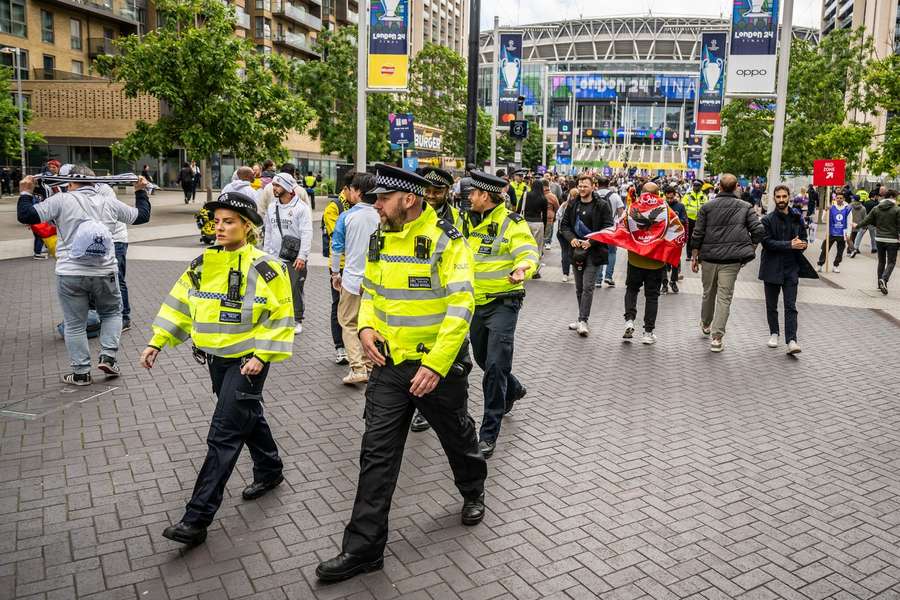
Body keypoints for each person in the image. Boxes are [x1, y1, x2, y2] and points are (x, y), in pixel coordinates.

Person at [316, 164, 486, 583]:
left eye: (381, 199)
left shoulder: (448, 242)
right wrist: (368, 325)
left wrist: (436, 364)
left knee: (457, 433)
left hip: (436, 367)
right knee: (376, 452)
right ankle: (363, 549)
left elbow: (461, 308)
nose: (374, 205)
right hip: (389, 367)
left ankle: (473, 488)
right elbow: (372, 291)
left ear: (408, 199)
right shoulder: (380, 238)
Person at [140, 190, 294, 545]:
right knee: (246, 415)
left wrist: (262, 355)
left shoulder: (267, 268)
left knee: (223, 434)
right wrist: (156, 341)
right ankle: (270, 470)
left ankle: (196, 519)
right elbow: (179, 303)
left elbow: (282, 315)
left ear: (248, 226)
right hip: (216, 360)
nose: (220, 228)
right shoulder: (202, 264)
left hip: (248, 362)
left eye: (228, 222)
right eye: (217, 221)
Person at [17, 167, 152, 384]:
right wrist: (140, 191)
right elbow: (141, 216)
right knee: (111, 313)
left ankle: (80, 373)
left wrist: (25, 191)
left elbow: (27, 215)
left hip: (70, 273)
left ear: (70, 183)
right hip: (104, 272)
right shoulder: (108, 202)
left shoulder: (61, 201)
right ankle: (108, 356)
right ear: (94, 183)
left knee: (74, 324)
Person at [462, 171, 538, 459]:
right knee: (483, 359)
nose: (469, 197)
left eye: (473, 193)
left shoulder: (511, 223)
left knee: (495, 366)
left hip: (504, 303)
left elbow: (528, 251)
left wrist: (522, 269)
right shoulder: (466, 222)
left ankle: (488, 433)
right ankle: (513, 389)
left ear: (485, 196)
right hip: (475, 304)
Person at [690, 173, 764, 352]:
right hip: (732, 260)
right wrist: (751, 248)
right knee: (725, 297)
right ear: (737, 186)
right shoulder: (745, 207)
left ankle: (706, 323)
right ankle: (717, 337)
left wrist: (694, 255)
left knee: (708, 292)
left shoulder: (707, 207)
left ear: (719, 187)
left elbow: (697, 233)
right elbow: (759, 230)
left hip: (708, 258)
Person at [330, 172, 378, 385]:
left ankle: (357, 368)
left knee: (349, 324)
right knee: (371, 324)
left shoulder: (346, 217)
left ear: (357, 191)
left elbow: (337, 248)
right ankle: (370, 364)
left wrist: (334, 273)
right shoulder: (381, 215)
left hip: (351, 280)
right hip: (375, 281)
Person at [559, 174, 613, 336]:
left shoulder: (602, 205)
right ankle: (580, 318)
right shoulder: (573, 204)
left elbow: (608, 227)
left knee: (588, 287)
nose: (582, 189)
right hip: (577, 252)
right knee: (579, 287)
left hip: (594, 252)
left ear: (593, 186)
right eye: (580, 186)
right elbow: (564, 225)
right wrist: (572, 239)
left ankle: (583, 320)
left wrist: (592, 241)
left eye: (585, 186)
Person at [622, 182, 676, 345]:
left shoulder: (632, 208)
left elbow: (622, 227)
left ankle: (629, 320)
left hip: (635, 259)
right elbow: (676, 232)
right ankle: (648, 332)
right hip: (655, 261)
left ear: (642, 193)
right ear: (658, 194)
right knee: (652, 296)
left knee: (632, 290)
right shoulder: (667, 210)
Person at [759, 184, 810, 354]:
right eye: (778, 197)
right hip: (771, 268)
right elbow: (767, 243)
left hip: (791, 268)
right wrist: (790, 244)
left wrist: (803, 244)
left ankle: (792, 340)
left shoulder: (797, 218)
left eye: (784, 196)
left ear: (789, 197)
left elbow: (803, 239)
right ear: (774, 198)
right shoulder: (766, 220)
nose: (781, 200)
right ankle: (774, 333)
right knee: (771, 305)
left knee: (791, 305)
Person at [263, 172, 312, 334]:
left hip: (294, 257)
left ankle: (297, 319)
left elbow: (307, 233)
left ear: (287, 187)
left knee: (295, 288)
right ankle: (279, 317)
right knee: (275, 288)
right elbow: (268, 231)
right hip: (275, 256)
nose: (274, 188)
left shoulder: (301, 208)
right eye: (274, 185)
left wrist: (302, 256)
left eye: (277, 185)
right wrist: (266, 254)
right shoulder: (272, 206)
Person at [322, 170, 354, 365]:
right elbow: (339, 239)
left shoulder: (360, 205)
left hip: (357, 263)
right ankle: (339, 347)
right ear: (346, 188)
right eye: (356, 190)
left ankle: (354, 346)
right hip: (340, 264)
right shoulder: (334, 208)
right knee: (339, 305)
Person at [858, 189, 900, 295]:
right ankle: (884, 279)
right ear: (892, 197)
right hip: (892, 240)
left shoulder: (876, 208)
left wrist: (857, 225)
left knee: (881, 261)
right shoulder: (897, 209)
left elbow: (867, 220)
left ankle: (879, 283)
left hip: (879, 238)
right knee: (891, 262)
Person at [594, 176, 624, 288]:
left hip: (597, 228)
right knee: (611, 252)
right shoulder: (615, 196)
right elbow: (621, 212)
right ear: (608, 183)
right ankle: (609, 276)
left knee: (598, 252)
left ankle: (598, 279)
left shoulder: (594, 194)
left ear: (597, 184)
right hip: (611, 228)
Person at [817, 190, 851, 273]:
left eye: (841, 198)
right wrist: (826, 211)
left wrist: (848, 234)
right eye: (837, 198)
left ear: (843, 199)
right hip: (831, 232)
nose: (839, 199)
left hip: (842, 233)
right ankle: (820, 265)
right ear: (835, 198)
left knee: (840, 251)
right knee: (825, 249)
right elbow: (823, 220)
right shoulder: (831, 207)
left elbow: (849, 221)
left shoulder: (847, 209)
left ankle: (836, 265)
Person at [661, 186, 687, 294]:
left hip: (676, 237)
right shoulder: (662, 205)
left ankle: (673, 281)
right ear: (665, 196)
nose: (670, 200)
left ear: (674, 195)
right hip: (664, 238)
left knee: (675, 261)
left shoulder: (680, 206)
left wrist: (675, 219)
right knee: (663, 261)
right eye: (668, 198)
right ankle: (664, 284)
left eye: (671, 198)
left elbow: (684, 220)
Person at [520, 184, 548, 279]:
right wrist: (544, 227)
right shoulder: (543, 198)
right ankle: (534, 271)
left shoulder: (525, 195)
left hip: (525, 223)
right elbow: (544, 215)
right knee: (537, 248)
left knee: (524, 247)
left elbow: (518, 209)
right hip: (537, 224)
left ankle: (521, 269)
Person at [683, 179, 707, 257]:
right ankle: (689, 255)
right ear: (693, 186)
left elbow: (706, 206)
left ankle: (699, 254)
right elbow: (683, 206)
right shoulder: (688, 195)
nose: (696, 187)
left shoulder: (703, 196)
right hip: (690, 219)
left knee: (700, 236)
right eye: (695, 186)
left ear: (701, 187)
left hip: (700, 219)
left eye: (698, 186)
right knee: (690, 237)